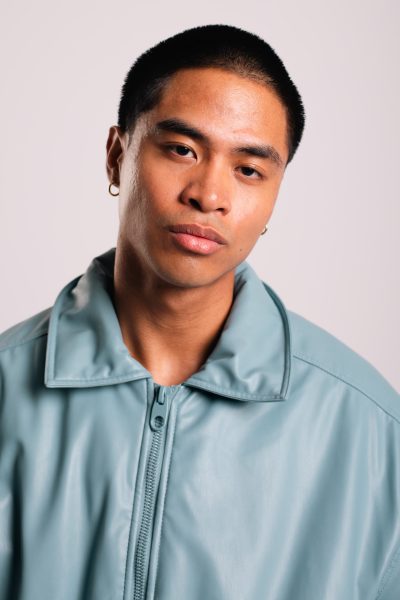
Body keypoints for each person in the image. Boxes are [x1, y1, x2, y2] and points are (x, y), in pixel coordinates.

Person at [0, 24, 399, 600]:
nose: (208, 195)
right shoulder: (8, 388)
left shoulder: (371, 432)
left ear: (275, 196)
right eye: (182, 150)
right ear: (116, 156)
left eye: (249, 169)